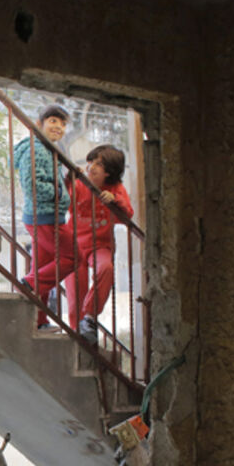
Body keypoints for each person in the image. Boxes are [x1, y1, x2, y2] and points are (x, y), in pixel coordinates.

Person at [60, 144, 134, 343]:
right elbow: (64, 202)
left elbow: (127, 216)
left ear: (109, 172)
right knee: (75, 296)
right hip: (74, 246)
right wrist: (69, 179)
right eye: (91, 161)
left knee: (105, 268)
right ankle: (79, 336)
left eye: (99, 164)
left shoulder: (116, 189)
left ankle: (90, 317)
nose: (92, 167)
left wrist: (115, 201)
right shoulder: (80, 184)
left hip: (100, 245)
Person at [14, 104, 72, 328]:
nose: (59, 127)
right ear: (39, 124)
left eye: (63, 123)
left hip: (46, 216)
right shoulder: (36, 149)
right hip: (45, 217)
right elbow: (33, 186)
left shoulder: (47, 149)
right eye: (53, 121)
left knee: (43, 268)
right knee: (72, 257)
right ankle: (27, 284)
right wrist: (59, 192)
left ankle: (38, 320)